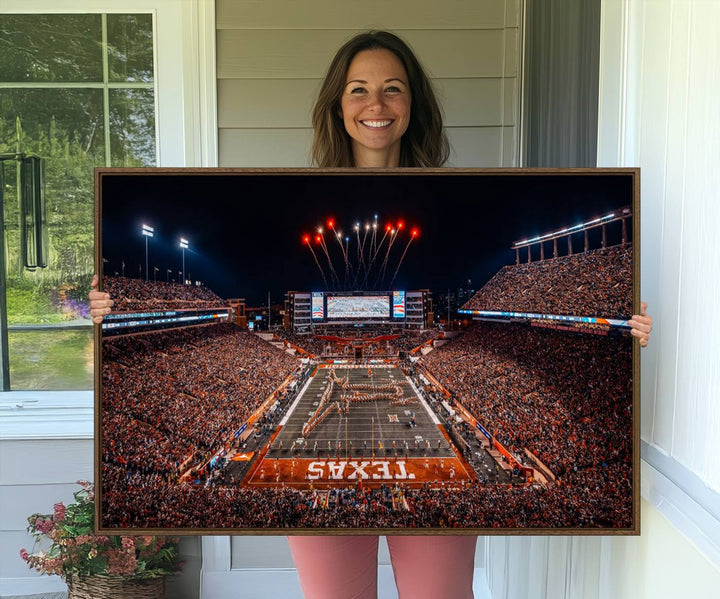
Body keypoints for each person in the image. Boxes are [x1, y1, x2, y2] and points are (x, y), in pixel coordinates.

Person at [89, 30, 653, 599]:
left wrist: (621, 325)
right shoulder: (300, 188)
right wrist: (106, 309)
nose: (376, 105)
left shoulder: (456, 189)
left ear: (414, 104)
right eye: (358, 89)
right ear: (338, 104)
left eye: (393, 89)